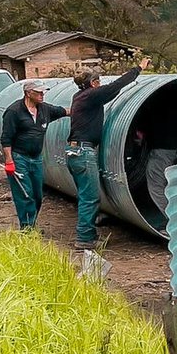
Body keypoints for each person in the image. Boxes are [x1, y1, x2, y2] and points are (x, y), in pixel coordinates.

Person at [66, 58, 152, 249]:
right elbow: (117, 86)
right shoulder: (90, 96)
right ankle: (85, 239)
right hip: (82, 151)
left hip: (75, 151)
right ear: (92, 83)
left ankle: (87, 233)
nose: (100, 84)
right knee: (90, 197)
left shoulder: (78, 96)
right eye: (98, 82)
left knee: (86, 195)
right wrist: (138, 68)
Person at [0, 80, 67, 231]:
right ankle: (27, 229)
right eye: (39, 92)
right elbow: (6, 138)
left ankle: (31, 224)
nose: (42, 95)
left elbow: (64, 111)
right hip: (19, 157)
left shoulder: (45, 109)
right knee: (25, 194)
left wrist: (83, 108)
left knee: (37, 195)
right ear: (28, 93)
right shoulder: (14, 111)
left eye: (43, 92)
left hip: (36, 158)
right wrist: (9, 161)